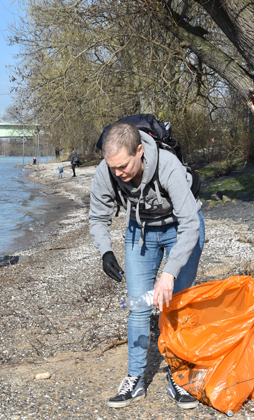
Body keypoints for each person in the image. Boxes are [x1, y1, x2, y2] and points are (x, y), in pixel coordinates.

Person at [89, 122, 204, 410]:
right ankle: (135, 379)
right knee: (138, 306)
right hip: (140, 231)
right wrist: (105, 251)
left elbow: (190, 224)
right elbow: (98, 216)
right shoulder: (108, 170)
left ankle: (178, 376)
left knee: (175, 303)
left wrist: (169, 272)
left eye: (123, 166)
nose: (118, 174)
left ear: (139, 151)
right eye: (112, 167)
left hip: (180, 228)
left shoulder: (167, 166)